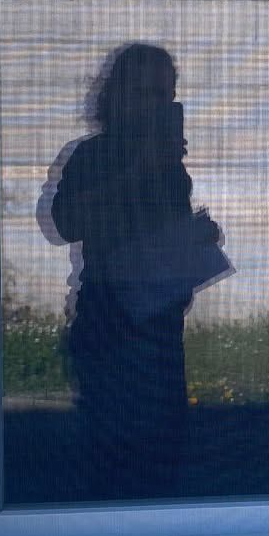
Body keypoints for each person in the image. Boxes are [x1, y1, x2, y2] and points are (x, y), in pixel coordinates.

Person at [48, 44, 227, 499]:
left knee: (162, 454)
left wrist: (196, 236)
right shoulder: (92, 155)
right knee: (112, 458)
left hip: (160, 322)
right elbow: (67, 224)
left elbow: (153, 238)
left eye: (165, 95)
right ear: (117, 96)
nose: (156, 105)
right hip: (110, 320)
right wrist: (138, 167)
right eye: (144, 92)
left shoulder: (170, 168)